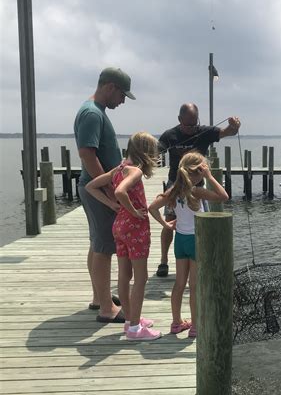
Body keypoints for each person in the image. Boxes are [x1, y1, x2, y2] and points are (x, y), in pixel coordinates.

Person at [86, 132, 165, 341]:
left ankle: (130, 320)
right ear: (146, 152)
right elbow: (121, 192)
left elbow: (90, 186)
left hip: (119, 226)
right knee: (141, 278)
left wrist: (111, 205)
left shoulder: (118, 169)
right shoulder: (135, 171)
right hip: (135, 228)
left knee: (124, 275)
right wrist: (133, 210)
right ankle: (135, 328)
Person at [74, 67, 136, 323]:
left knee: (97, 243)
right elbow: (87, 154)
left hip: (95, 188)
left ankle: (100, 297)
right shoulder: (91, 114)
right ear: (110, 87)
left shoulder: (94, 111)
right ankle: (106, 309)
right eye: (122, 95)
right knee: (104, 248)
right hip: (98, 190)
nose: (122, 101)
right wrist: (109, 188)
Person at [148, 151, 228, 338]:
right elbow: (223, 196)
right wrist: (209, 176)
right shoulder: (196, 191)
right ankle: (195, 326)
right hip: (196, 240)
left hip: (180, 241)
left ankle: (176, 323)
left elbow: (151, 207)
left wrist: (166, 224)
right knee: (194, 286)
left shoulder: (174, 190)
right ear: (198, 171)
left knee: (179, 284)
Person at [155, 102, 240, 277]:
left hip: (197, 186)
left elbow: (228, 132)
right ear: (179, 119)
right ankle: (163, 260)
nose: (193, 128)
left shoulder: (204, 132)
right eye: (189, 125)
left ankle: (202, 260)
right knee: (170, 219)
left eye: (195, 124)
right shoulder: (169, 135)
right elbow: (154, 153)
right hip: (176, 183)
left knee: (204, 221)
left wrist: (234, 125)